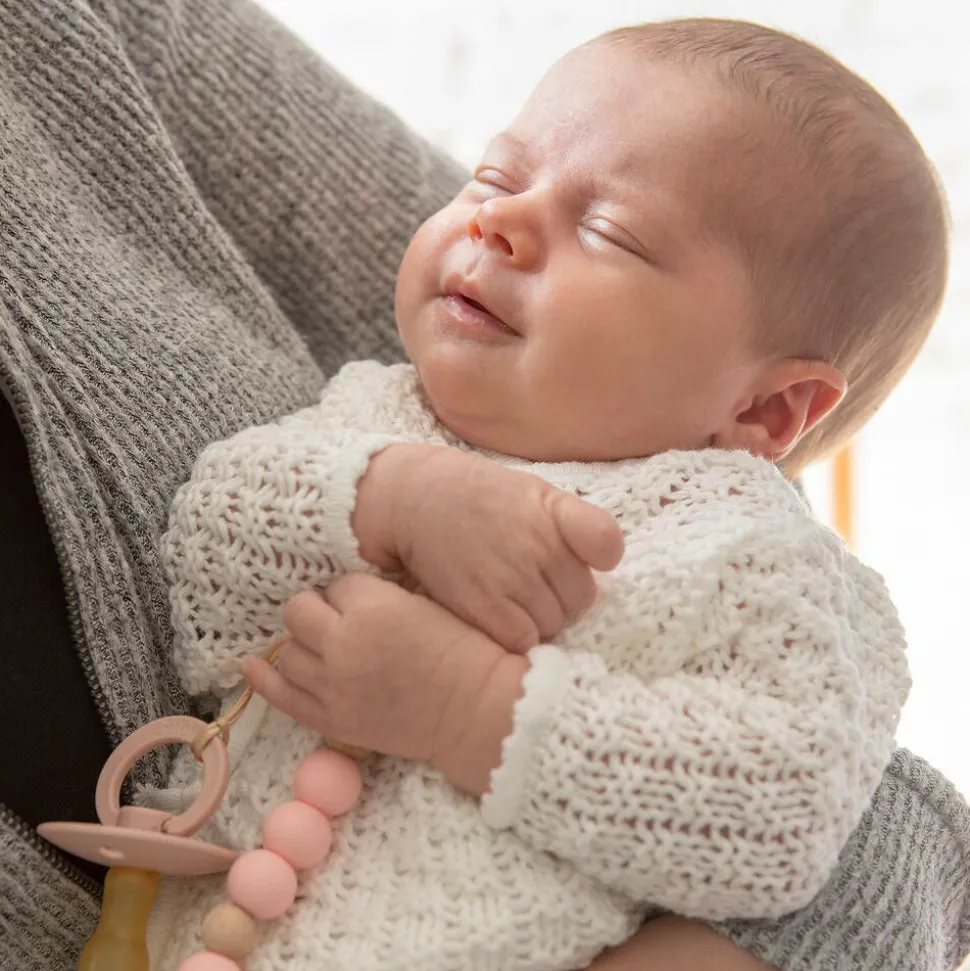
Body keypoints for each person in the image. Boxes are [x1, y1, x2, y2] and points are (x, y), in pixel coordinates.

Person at [0, 2, 966, 971]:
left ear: (766, 409)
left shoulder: (751, 559)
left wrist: (474, 707)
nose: (496, 220)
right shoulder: (380, 418)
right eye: (496, 176)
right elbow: (208, 570)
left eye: (609, 229)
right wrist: (387, 499)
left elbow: (784, 818)